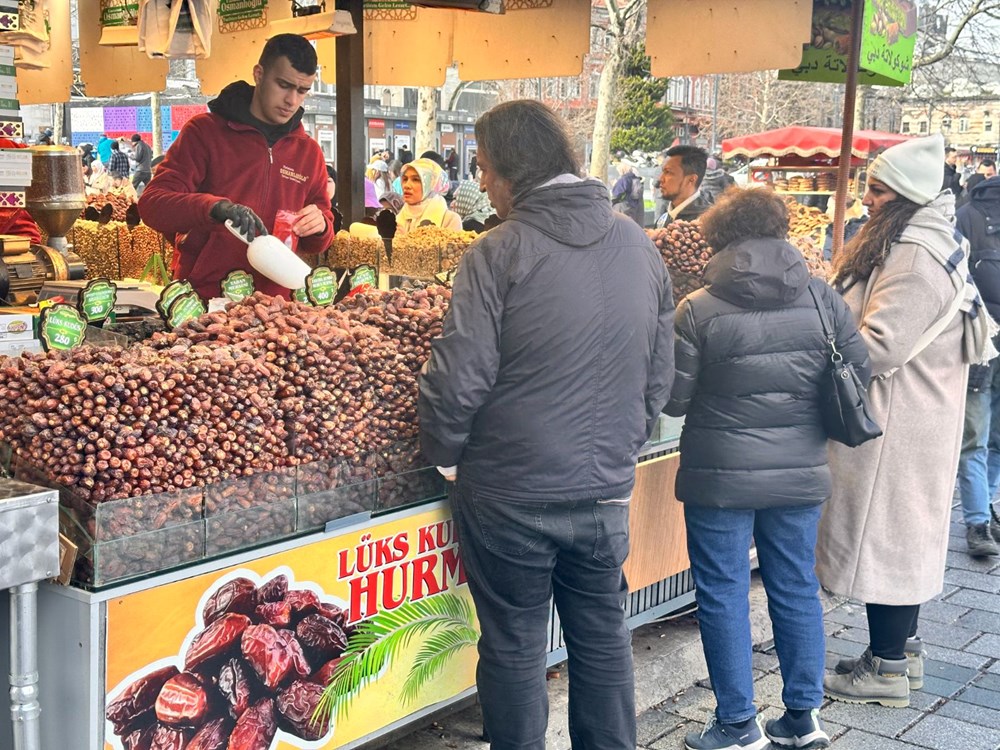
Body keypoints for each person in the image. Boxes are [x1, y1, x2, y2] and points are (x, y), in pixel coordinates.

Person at [418, 99, 675, 750]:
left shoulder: (497, 252)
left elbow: (460, 376)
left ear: (512, 170)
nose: (483, 185)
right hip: (603, 490)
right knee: (602, 635)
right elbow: (659, 377)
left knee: (513, 644)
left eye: (484, 167)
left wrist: (446, 455)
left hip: (509, 493)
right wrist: (619, 449)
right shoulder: (639, 248)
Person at [665, 188, 868, 750]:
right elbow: (859, 368)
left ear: (719, 237)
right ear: (781, 230)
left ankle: (737, 723)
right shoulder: (822, 298)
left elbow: (673, 401)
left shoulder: (697, 307)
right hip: (800, 469)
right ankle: (802, 718)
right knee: (796, 585)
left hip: (719, 474)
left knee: (723, 592)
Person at [818, 134, 997, 708]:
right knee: (902, 537)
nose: (867, 198)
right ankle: (898, 652)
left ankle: (887, 668)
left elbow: (880, 346)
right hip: (911, 416)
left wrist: (820, 345)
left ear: (905, 195)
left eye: (877, 189)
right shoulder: (922, 239)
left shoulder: (915, 256)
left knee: (890, 540)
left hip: (898, 423)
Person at [138, 34, 334, 300]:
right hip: (205, 299)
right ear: (259, 74)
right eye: (283, 85)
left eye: (302, 91)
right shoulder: (203, 132)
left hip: (277, 306)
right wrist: (214, 208)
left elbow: (319, 237)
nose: (292, 100)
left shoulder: (308, 152)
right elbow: (152, 204)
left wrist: (320, 226)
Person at [955, 172, 1000, 556]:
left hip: (981, 340)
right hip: (982, 342)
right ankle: (980, 517)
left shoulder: (966, 213)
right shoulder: (968, 215)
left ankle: (982, 514)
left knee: (977, 436)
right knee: (983, 436)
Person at [395, 158, 462, 233]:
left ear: (431, 184)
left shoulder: (450, 220)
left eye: (415, 180)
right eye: (405, 179)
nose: (406, 185)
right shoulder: (398, 219)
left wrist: (404, 238)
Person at [655, 144, 713, 228]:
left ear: (691, 180)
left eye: (668, 172)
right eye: (663, 171)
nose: (661, 178)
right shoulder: (664, 218)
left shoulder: (708, 223)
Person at [610, 158, 645, 227]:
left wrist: (614, 185)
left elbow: (616, 195)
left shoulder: (623, 179)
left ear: (623, 168)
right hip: (633, 208)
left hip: (622, 208)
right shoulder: (635, 178)